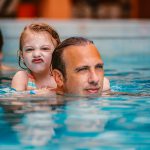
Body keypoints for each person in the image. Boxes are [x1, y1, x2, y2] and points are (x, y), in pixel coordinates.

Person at [11, 23, 61, 91]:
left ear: (56, 53)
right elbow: (15, 99)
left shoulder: (61, 78)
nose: (36, 54)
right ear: (22, 56)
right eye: (30, 49)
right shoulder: (22, 78)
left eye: (45, 48)